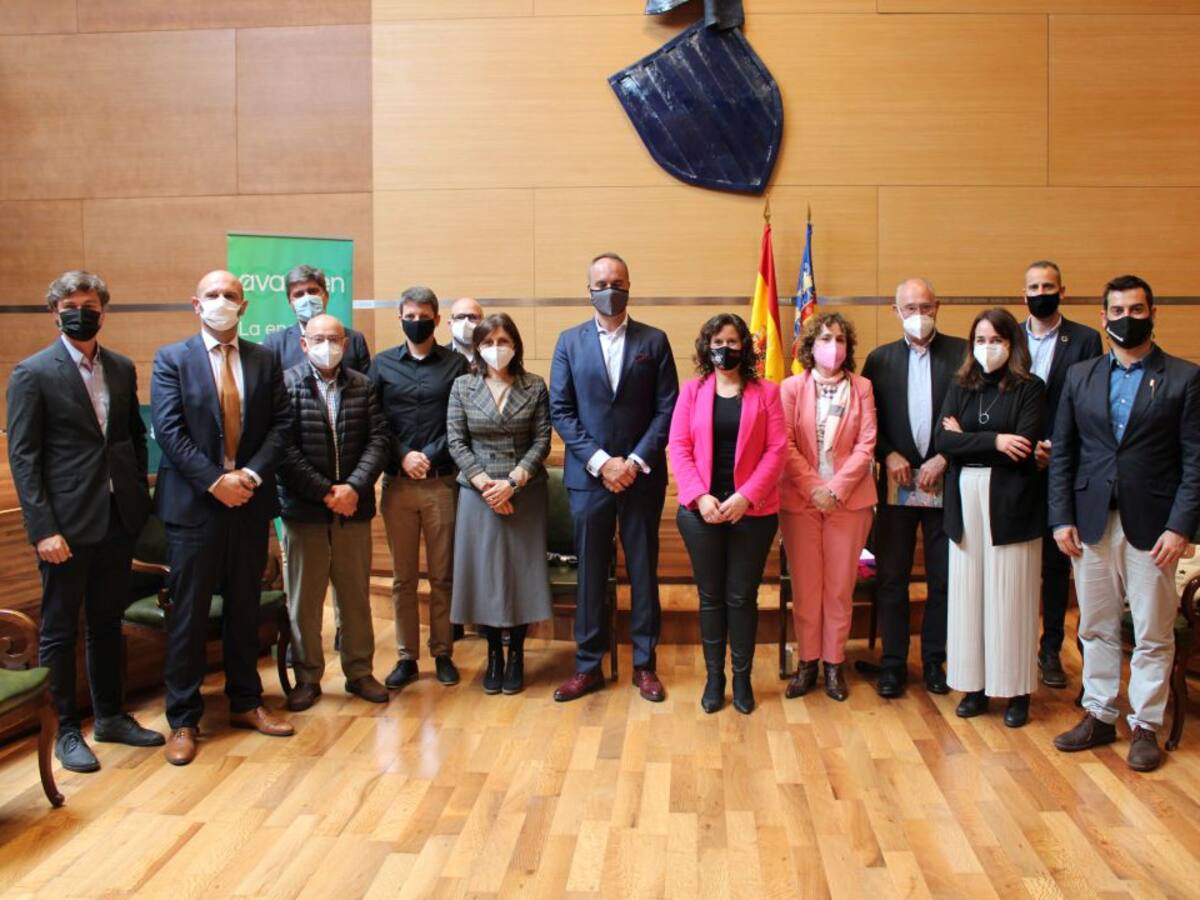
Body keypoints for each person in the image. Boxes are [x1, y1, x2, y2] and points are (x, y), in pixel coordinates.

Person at [6, 271, 161, 773]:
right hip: (65, 528)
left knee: (106, 622)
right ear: (54, 313)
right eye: (69, 306)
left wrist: (134, 494)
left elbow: (132, 437)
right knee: (58, 629)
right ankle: (65, 730)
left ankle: (110, 716)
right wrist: (42, 529)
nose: (80, 314)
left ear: (103, 311)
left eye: (89, 306)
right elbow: (24, 458)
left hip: (117, 518)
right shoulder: (32, 373)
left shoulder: (120, 366)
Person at [1051, 275, 1200, 772]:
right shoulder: (1081, 376)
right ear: (1103, 317)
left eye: (1136, 310)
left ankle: (1145, 726)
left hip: (1155, 529)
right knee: (1095, 626)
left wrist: (1180, 527)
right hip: (1090, 523)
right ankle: (1098, 714)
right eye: (1117, 311)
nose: (1126, 319)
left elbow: (1195, 461)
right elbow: (1063, 452)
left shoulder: (1184, 378)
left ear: (1153, 314)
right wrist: (1060, 518)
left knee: (1154, 632)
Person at [151, 270, 295, 766]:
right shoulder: (172, 358)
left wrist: (249, 476)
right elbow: (169, 430)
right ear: (196, 305)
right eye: (211, 295)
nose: (220, 301)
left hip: (250, 502)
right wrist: (216, 481)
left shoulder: (264, 359)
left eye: (229, 295)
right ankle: (183, 719)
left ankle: (246, 701)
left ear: (244, 305)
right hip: (194, 507)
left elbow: (281, 425)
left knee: (244, 608)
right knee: (188, 615)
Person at [549, 252, 679, 702]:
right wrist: (603, 462)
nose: (610, 290)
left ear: (629, 286)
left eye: (617, 282)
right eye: (601, 283)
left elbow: (667, 409)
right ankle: (588, 666)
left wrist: (633, 462)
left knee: (643, 571)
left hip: (642, 478)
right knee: (590, 573)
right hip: (589, 480)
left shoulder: (654, 341)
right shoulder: (569, 342)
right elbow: (561, 410)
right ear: (588, 290)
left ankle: (645, 665)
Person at [668, 313, 785, 714]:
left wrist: (746, 497)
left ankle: (742, 678)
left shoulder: (766, 392)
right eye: (717, 342)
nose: (725, 349)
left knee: (742, 597)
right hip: (701, 513)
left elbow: (776, 451)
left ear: (745, 347)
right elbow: (679, 447)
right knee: (711, 598)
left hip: (752, 513)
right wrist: (700, 497)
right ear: (706, 347)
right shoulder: (692, 391)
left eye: (732, 341)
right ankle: (714, 679)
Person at [935, 308, 1046, 728]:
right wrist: (996, 440)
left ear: (1012, 344)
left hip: (1012, 502)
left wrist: (968, 439)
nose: (987, 348)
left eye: (996, 340)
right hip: (965, 499)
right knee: (969, 595)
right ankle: (974, 687)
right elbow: (942, 441)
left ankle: (1016, 692)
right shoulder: (960, 384)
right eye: (980, 340)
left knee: (1011, 595)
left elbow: (1024, 446)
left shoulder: (1030, 388)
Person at [278, 314, 390, 711]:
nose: (327, 345)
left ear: (345, 343)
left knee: (355, 596)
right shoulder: (286, 385)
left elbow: (379, 440)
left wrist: (353, 488)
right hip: (304, 510)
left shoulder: (362, 385)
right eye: (318, 339)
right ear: (304, 344)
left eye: (334, 338)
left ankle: (359, 672)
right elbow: (283, 448)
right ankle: (307, 677)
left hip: (353, 509)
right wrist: (326, 492)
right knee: (305, 600)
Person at [861, 278, 965, 699]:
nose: (918, 315)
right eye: (910, 308)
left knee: (943, 578)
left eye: (925, 307)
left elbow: (976, 414)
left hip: (946, 484)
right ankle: (893, 664)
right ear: (896, 311)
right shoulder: (879, 360)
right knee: (891, 578)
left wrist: (946, 457)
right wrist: (887, 454)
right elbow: (866, 421)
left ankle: (936, 662)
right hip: (896, 488)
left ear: (937, 307)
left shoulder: (963, 355)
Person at [446, 313, 553, 695]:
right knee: (485, 576)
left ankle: (517, 654)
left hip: (524, 492)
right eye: (488, 342)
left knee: (520, 574)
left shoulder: (534, 385)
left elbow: (542, 440)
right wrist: (486, 486)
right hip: (478, 494)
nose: (496, 349)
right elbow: (456, 441)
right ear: (477, 348)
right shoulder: (462, 386)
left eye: (503, 341)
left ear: (516, 345)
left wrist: (512, 483)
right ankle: (493, 653)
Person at [370, 286, 469, 690]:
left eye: (424, 316)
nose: (417, 322)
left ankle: (442, 651)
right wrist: (403, 455)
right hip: (397, 484)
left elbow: (459, 421)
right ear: (400, 318)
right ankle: (406, 657)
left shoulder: (456, 365)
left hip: (440, 482)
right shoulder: (381, 364)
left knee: (443, 576)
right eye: (409, 316)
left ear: (437, 319)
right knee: (403, 578)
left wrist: (427, 454)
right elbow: (375, 420)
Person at [779, 312, 877, 702]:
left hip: (849, 502)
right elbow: (784, 444)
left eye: (839, 339)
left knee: (839, 588)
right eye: (824, 338)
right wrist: (814, 488)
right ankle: (807, 663)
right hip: (800, 501)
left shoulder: (863, 387)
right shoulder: (790, 388)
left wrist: (834, 490)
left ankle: (834, 664)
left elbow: (867, 445)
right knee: (806, 588)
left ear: (848, 346)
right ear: (810, 345)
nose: (832, 346)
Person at [1020, 260, 1103, 689]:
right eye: (1034, 287)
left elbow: (1087, 402)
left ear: (1062, 291)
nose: (1041, 293)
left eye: (1048, 286)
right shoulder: (1008, 336)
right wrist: (1024, 444)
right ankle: (1014, 648)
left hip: (1060, 464)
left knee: (1056, 564)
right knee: (1018, 561)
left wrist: (1055, 446)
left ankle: (1050, 649)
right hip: (1015, 464)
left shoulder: (1085, 339)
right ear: (1023, 293)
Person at [263, 264, 372, 373]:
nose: (307, 298)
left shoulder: (354, 340)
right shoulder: (275, 343)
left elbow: (364, 381)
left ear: (326, 296)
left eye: (312, 291)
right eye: (299, 294)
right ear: (290, 303)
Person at [446, 297, 484, 363]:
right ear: (450, 324)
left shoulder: (490, 355)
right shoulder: (438, 357)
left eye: (472, 317)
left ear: (483, 323)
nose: (465, 322)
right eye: (460, 317)